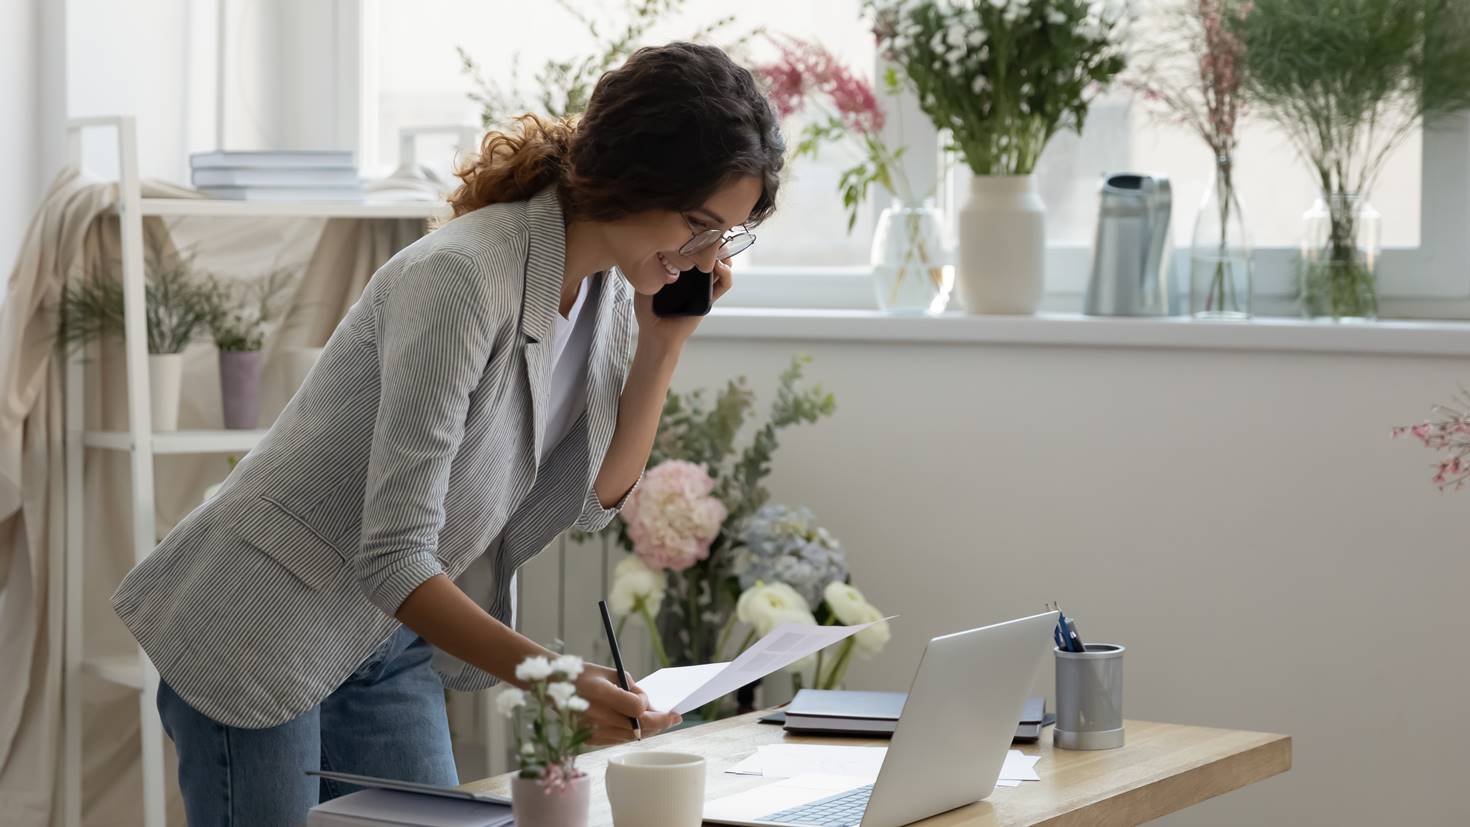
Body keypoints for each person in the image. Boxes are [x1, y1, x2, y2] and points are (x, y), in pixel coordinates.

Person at [109, 40, 785, 826]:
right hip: (263, 623)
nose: (705, 257)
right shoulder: (465, 275)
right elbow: (394, 553)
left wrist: (664, 341)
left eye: (726, 237)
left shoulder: (606, 292)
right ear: (636, 173)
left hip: (386, 636)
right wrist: (556, 679)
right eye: (700, 225)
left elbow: (596, 498)